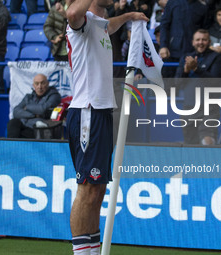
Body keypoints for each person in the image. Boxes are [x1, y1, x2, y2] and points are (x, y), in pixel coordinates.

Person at [65, 0, 148, 253]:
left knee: (98, 189)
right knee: (87, 187)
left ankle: (92, 251)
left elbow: (109, 25)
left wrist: (129, 15)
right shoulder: (80, 23)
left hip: (100, 111)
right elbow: (72, 12)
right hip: (87, 110)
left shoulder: (99, 26)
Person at [175, 29, 221, 145]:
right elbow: (177, 83)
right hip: (189, 108)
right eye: (198, 40)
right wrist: (186, 71)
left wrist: (196, 69)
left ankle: (209, 163)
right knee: (190, 144)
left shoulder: (217, 58)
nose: (200, 42)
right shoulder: (185, 58)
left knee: (207, 141)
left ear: (209, 42)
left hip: (210, 108)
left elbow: (215, 82)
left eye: (204, 40)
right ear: (193, 42)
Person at [7, 74, 61, 138]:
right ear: (33, 86)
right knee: (13, 122)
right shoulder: (28, 97)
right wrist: (34, 115)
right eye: (37, 84)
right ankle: (11, 146)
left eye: (42, 83)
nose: (39, 87)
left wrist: (26, 107)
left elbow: (42, 109)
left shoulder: (54, 96)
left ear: (47, 84)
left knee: (22, 134)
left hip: (40, 129)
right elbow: (16, 111)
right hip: (24, 125)